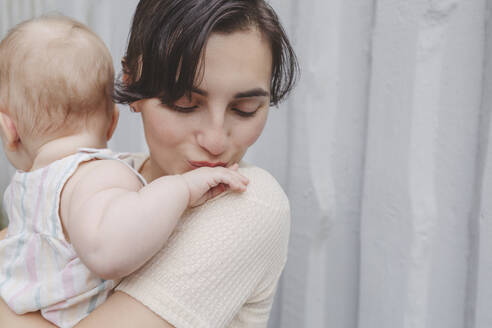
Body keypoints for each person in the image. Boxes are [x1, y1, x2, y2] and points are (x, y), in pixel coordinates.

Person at [0, 0, 299, 327]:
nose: (215, 141)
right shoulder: (97, 176)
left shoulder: (249, 201)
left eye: (245, 108)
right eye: (184, 103)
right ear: (130, 81)